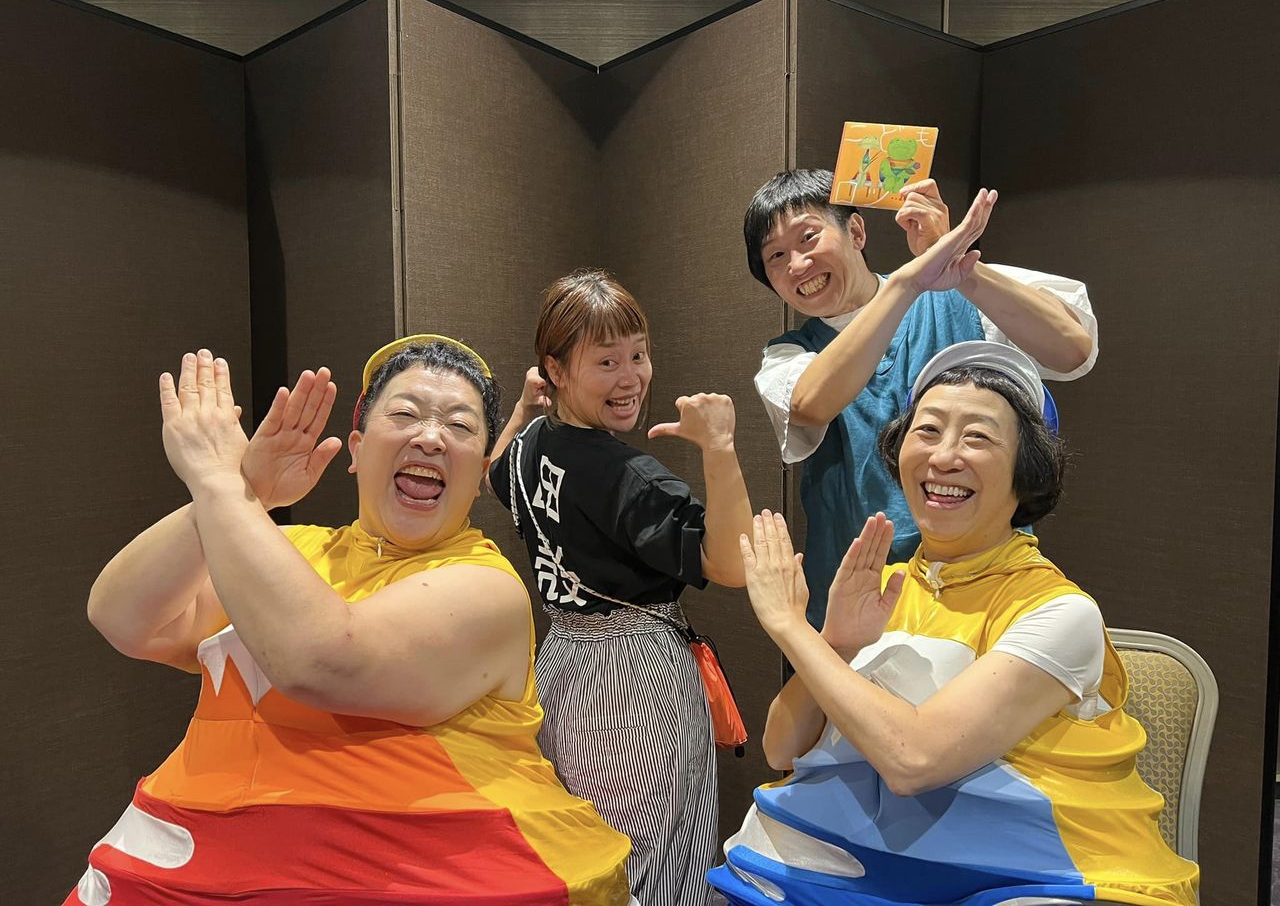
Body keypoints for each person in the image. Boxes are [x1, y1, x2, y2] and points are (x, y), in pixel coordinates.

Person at [68, 338, 633, 906]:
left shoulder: (488, 588)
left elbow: (323, 661)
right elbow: (126, 620)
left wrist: (218, 484)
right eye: (405, 414)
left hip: (419, 878)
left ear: (481, 470)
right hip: (205, 862)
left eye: (460, 426)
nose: (430, 437)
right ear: (357, 449)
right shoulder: (286, 549)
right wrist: (242, 489)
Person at [710, 341, 1198, 906]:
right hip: (861, 861)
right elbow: (780, 749)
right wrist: (835, 643)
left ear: (1026, 473)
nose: (943, 457)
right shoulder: (884, 586)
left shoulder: (1061, 612)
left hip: (1033, 876)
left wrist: (790, 627)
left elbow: (913, 760)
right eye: (928, 430)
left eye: (978, 438)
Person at [487, 270, 753, 906]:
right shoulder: (629, 476)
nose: (631, 377)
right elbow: (731, 564)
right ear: (556, 369)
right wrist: (719, 446)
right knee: (644, 857)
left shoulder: (532, 444)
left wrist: (525, 407)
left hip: (559, 662)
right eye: (606, 361)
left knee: (575, 842)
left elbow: (493, 470)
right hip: (636, 682)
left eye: (639, 355)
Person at [746, 171, 1098, 626]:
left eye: (808, 237)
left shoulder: (955, 296)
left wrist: (960, 266)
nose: (797, 264)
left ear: (856, 231)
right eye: (775, 256)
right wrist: (907, 282)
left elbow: (1073, 348)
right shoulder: (788, 354)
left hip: (985, 589)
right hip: (860, 602)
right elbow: (811, 403)